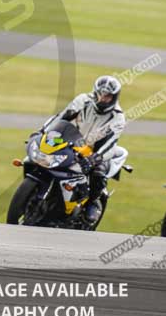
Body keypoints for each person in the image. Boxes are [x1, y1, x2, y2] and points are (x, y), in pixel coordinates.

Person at [41, 75, 126, 224]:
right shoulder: (83, 100)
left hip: (97, 151)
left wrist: (95, 158)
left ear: (114, 97)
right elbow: (62, 117)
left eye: (107, 96)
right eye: (100, 94)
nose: (102, 99)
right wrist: (43, 132)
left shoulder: (117, 117)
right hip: (73, 140)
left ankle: (91, 203)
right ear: (95, 92)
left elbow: (111, 142)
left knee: (98, 173)